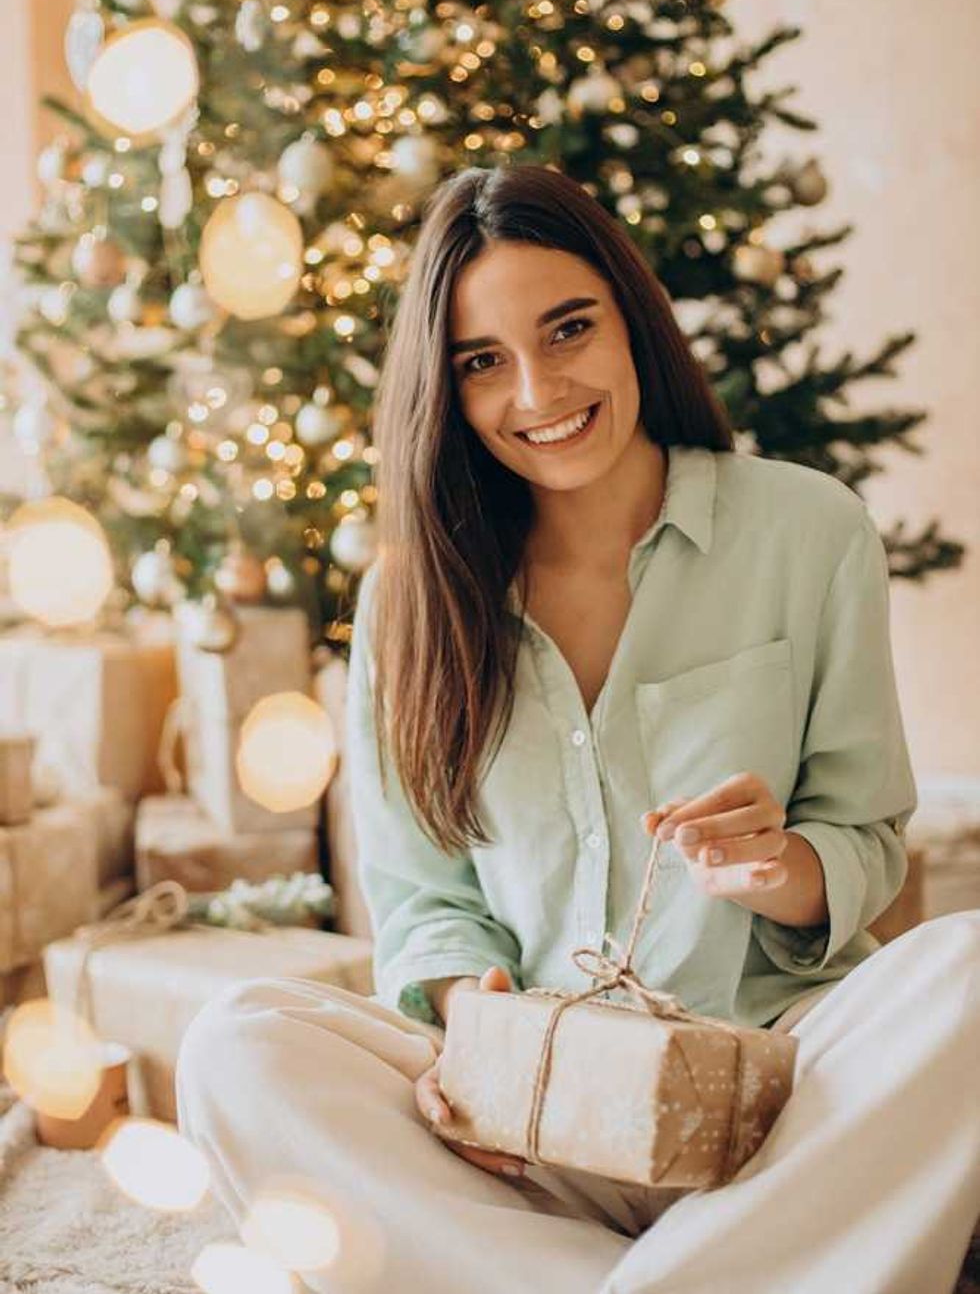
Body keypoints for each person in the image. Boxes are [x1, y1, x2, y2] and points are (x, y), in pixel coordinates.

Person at [176, 165, 980, 1294]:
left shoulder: (806, 528)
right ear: (445, 389)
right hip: (529, 1119)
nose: (537, 387)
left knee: (968, 971)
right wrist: (473, 1026)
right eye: (481, 360)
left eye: (567, 330)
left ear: (630, 322)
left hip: (779, 1095)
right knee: (234, 1043)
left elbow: (865, 837)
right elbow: (422, 900)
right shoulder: (412, 597)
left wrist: (780, 864)